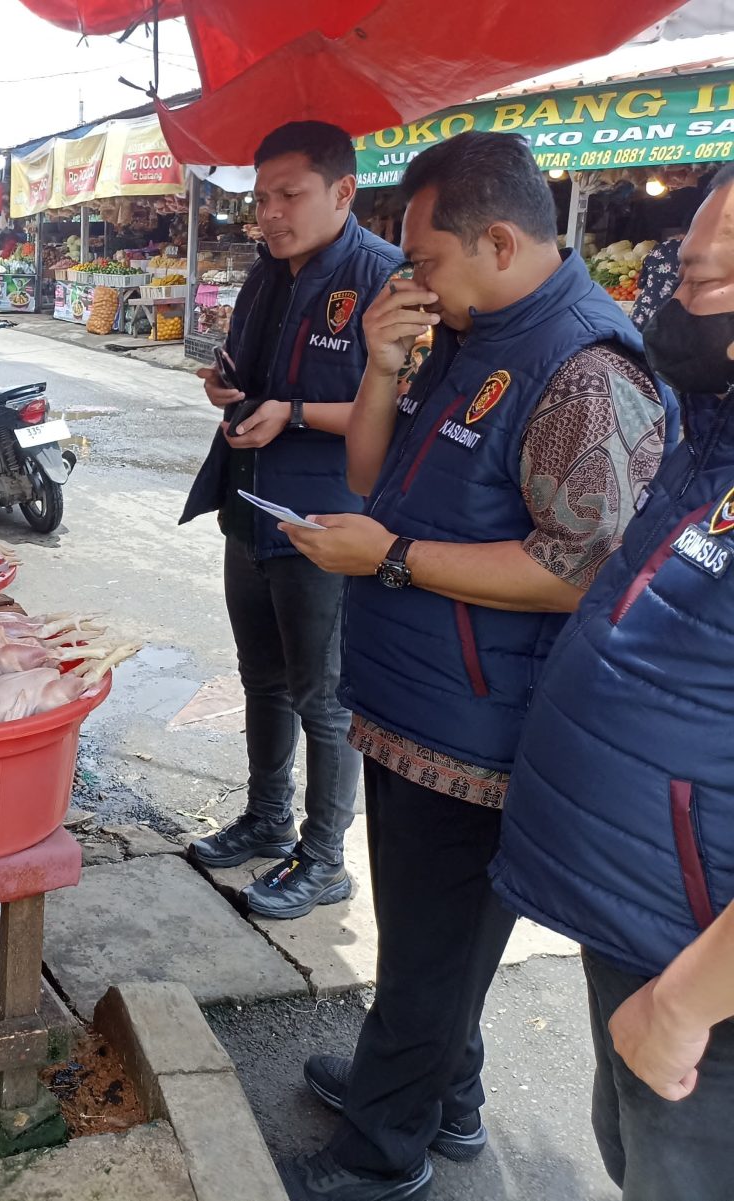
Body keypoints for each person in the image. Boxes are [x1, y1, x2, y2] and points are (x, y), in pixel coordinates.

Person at [279, 132, 674, 1201]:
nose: (410, 279)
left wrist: (393, 558)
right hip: (416, 698)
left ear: (498, 242)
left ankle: (382, 1151)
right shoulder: (467, 332)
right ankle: (436, 1089)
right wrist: (380, 365)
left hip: (486, 724)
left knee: (432, 951)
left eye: (426, 259)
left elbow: (582, 570)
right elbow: (374, 475)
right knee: (424, 935)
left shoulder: (585, 372)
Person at [490, 167, 734, 1201]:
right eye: (695, 249)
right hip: (645, 919)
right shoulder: (711, 436)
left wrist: (689, 1001)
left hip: (703, 973)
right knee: (630, 1147)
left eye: (723, 266)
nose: (692, 272)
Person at [180, 121, 403, 919]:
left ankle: (325, 855)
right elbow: (251, 372)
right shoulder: (266, 274)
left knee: (324, 694)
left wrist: (297, 411)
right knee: (262, 677)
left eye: (289, 195)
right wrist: (226, 385)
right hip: (250, 502)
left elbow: (404, 409)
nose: (269, 213)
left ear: (343, 192)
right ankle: (267, 817)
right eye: (262, 197)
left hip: (326, 519)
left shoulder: (384, 280)